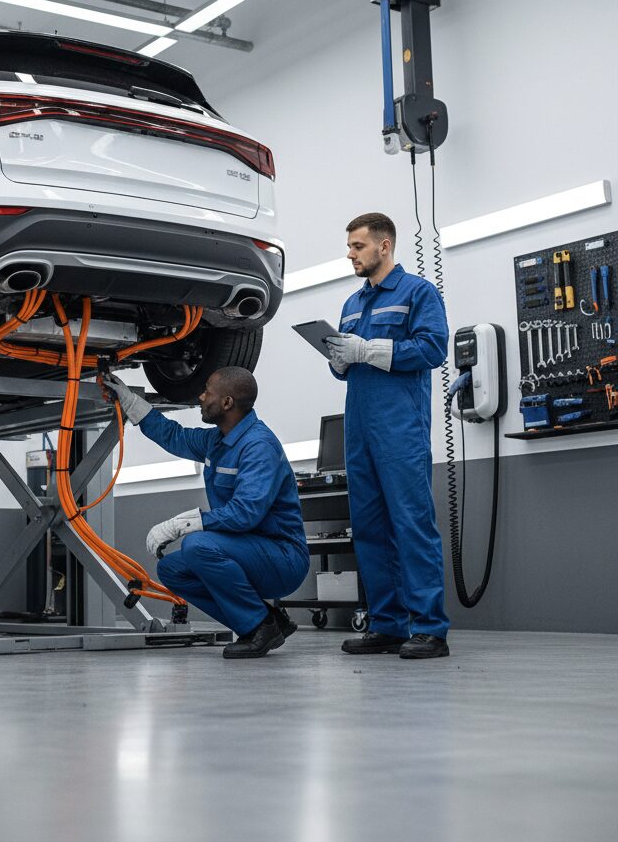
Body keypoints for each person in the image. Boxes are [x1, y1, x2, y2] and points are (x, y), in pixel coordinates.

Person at [102, 366, 309, 659]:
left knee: (197, 545)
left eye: (207, 391)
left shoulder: (258, 446)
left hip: (282, 558)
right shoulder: (217, 440)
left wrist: (184, 524)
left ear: (227, 403)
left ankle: (260, 627)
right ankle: (266, 619)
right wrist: (131, 401)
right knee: (172, 569)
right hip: (244, 549)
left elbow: (246, 513)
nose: (200, 396)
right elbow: (174, 436)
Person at [324, 213, 451, 659]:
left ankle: (430, 629)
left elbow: (434, 349)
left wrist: (372, 349)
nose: (350, 254)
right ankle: (388, 624)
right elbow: (346, 368)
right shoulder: (351, 305)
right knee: (369, 529)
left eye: (358, 246)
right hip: (359, 430)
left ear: (384, 246)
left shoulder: (418, 293)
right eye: (350, 246)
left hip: (401, 430)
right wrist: (339, 359)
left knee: (412, 525)